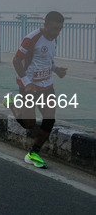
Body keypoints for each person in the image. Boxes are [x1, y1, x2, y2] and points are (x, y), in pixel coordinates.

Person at [7, 11, 67, 169]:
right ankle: (12, 105)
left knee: (49, 119)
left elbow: (47, 60)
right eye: (54, 28)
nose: (57, 32)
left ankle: (33, 153)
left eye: (60, 29)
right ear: (45, 25)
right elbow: (16, 60)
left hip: (47, 86)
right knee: (29, 124)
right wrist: (27, 83)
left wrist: (56, 69)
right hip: (30, 88)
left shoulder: (53, 39)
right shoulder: (31, 38)